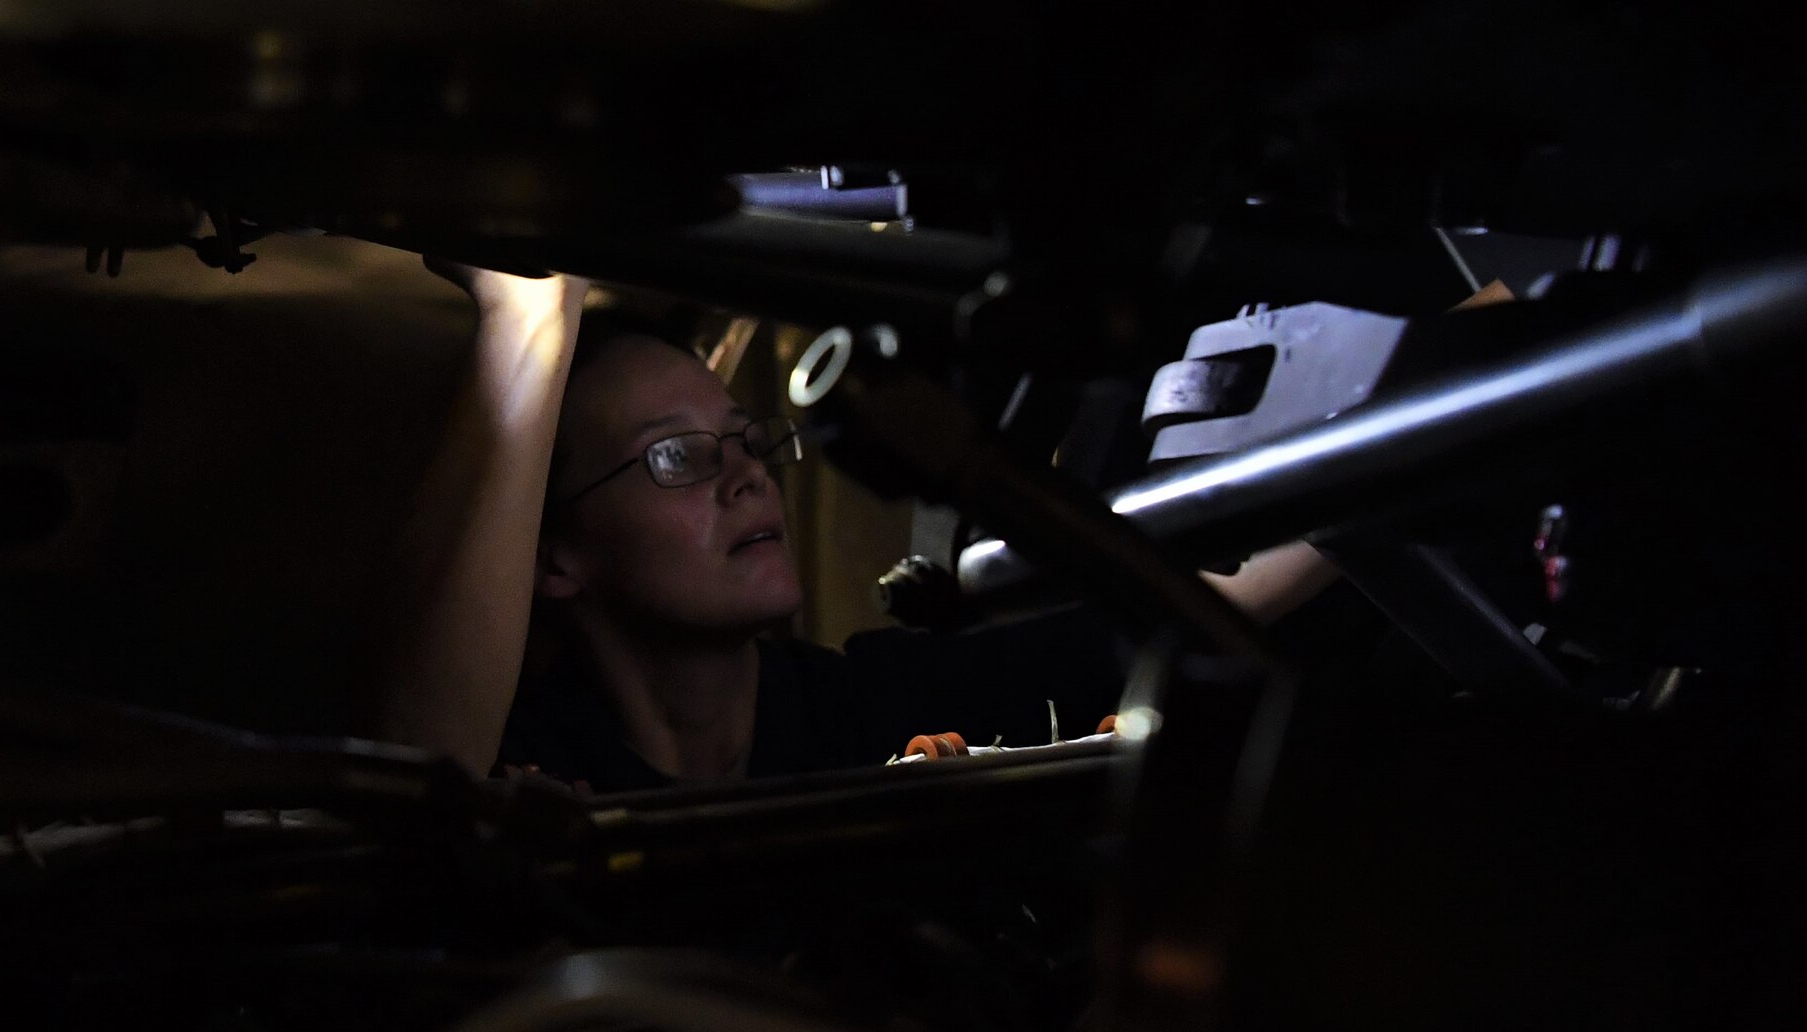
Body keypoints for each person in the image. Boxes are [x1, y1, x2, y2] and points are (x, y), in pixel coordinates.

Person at [371, 264, 1335, 791]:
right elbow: (419, 781)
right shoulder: (540, 768)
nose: (747, 473)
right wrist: (528, 314)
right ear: (554, 558)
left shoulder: (863, 710)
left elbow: (1185, 605)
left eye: (745, 440)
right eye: (678, 456)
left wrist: (1442, 412)